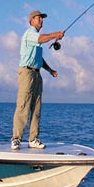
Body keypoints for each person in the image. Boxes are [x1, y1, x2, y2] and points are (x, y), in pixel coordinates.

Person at [11, 10, 64, 150]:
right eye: (38, 18)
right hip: (26, 73)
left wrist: (50, 70)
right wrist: (55, 35)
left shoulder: (38, 39)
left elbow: (39, 59)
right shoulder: (30, 34)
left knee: (36, 108)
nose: (41, 20)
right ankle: (16, 139)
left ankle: (33, 139)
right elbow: (42, 39)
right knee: (23, 105)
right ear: (31, 21)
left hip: (37, 74)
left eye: (42, 18)